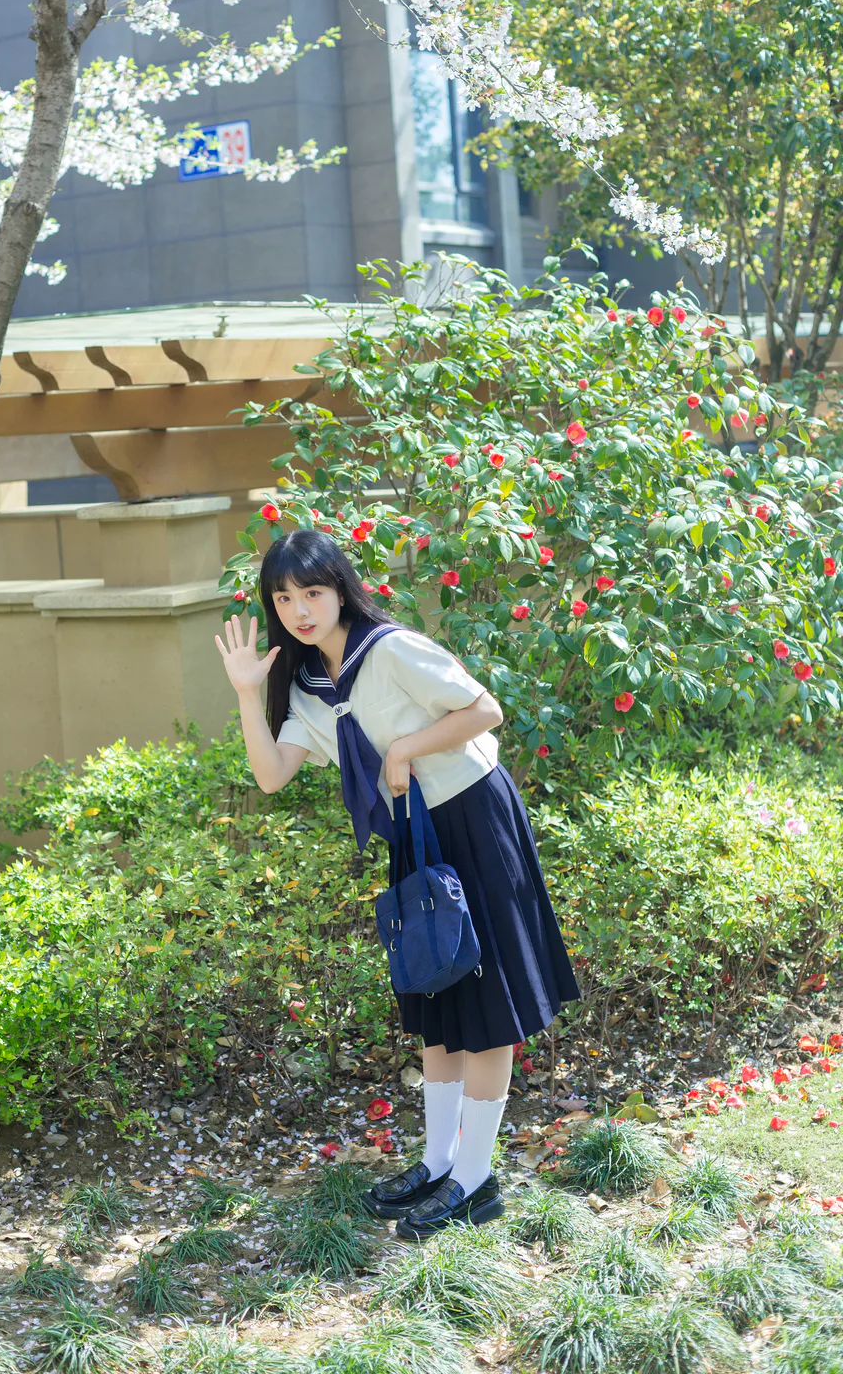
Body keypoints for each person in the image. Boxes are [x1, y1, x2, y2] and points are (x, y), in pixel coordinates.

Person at [215, 530, 582, 1240]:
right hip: (415, 835)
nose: (299, 610)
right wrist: (246, 693)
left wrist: (406, 748)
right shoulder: (309, 686)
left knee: (485, 999)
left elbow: (484, 710)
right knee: (435, 988)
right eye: (283, 599)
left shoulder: (390, 650)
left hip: (473, 817)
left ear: (340, 588)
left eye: (311, 592)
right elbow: (271, 775)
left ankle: (475, 1181)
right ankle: (439, 1163)